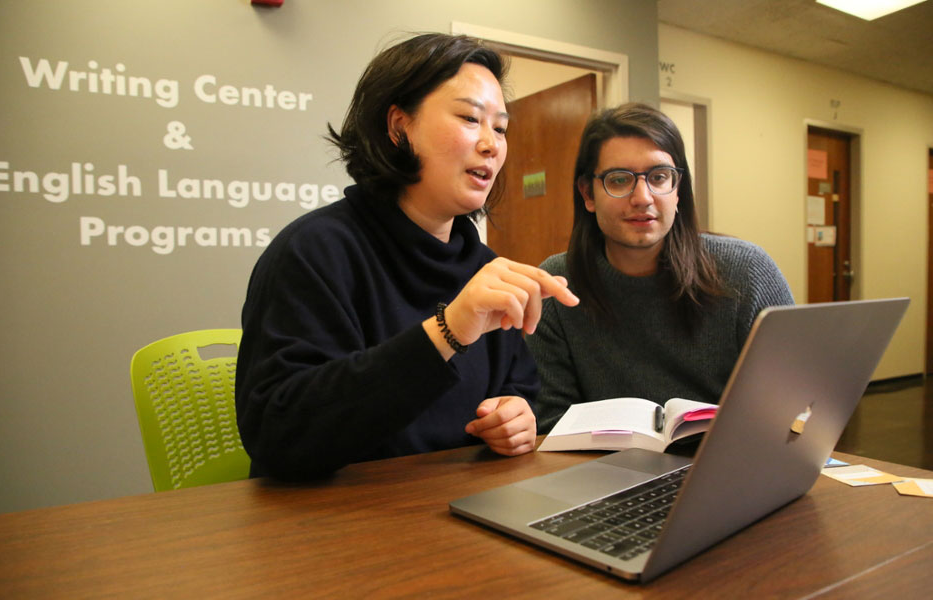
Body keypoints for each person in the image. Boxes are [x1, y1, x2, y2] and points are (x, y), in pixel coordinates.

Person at [235, 33, 579, 480]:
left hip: (453, 511)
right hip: (330, 527)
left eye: (500, 127)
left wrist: (515, 415)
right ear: (399, 126)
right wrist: (447, 330)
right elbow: (278, 435)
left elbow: (520, 386)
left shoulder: (485, 267)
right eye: (471, 118)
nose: (492, 144)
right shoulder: (314, 251)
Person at [526, 103, 793, 433]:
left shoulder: (747, 273)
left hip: (727, 467)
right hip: (605, 474)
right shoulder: (558, 287)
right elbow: (550, 425)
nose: (643, 197)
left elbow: (792, 405)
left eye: (659, 177)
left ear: (677, 189)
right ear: (588, 193)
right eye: (619, 179)